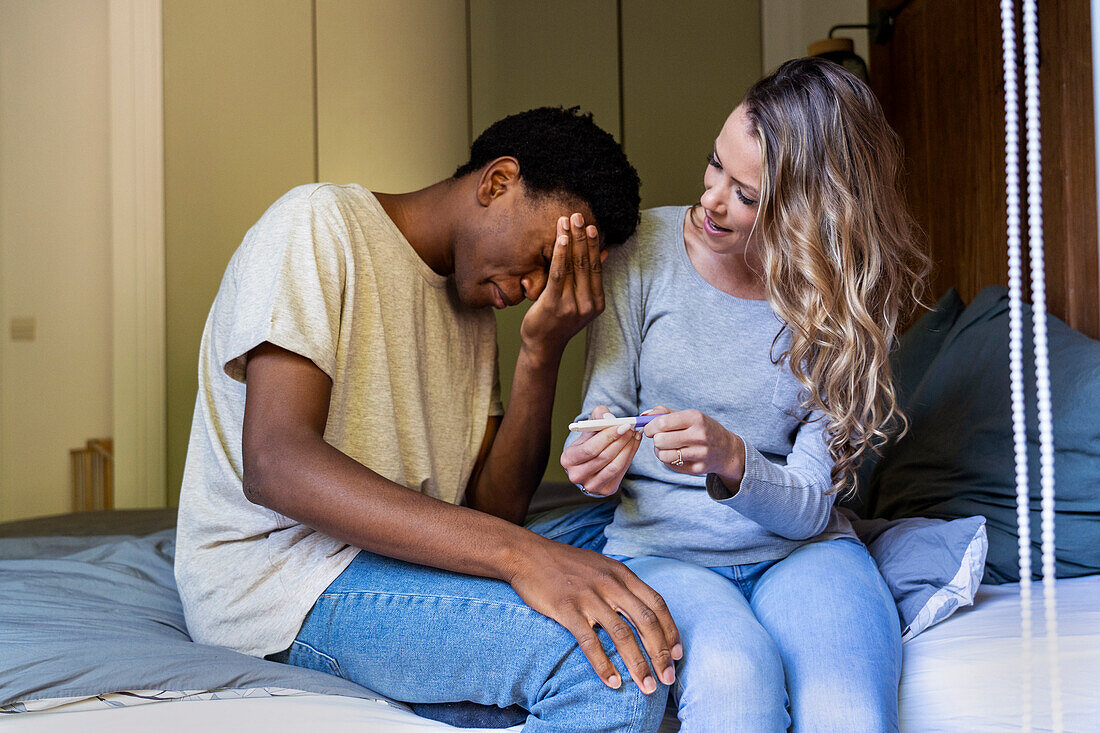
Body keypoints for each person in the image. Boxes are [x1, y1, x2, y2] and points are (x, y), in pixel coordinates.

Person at [174, 106, 682, 733]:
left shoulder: (468, 306)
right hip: (285, 581)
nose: (532, 287)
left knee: (665, 525)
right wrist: (521, 558)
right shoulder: (316, 224)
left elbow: (494, 512)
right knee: (607, 667)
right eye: (539, 259)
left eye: (552, 277)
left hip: (403, 560)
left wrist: (541, 350)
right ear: (498, 182)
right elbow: (277, 465)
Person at [561, 58, 932, 732]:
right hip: (662, 554)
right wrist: (593, 451)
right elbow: (599, 413)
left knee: (848, 710)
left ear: (808, 209)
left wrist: (732, 457)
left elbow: (811, 504)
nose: (711, 199)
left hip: (804, 551)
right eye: (714, 165)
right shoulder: (641, 252)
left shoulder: (836, 303)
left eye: (747, 194)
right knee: (735, 684)